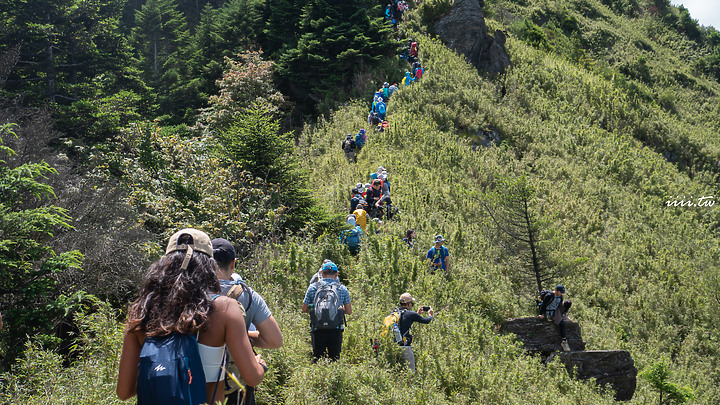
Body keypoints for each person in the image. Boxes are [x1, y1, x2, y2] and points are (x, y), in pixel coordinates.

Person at [117, 229, 266, 404]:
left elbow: (124, 391)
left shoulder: (141, 311)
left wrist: (164, 376)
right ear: (209, 266)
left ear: (164, 264)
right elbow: (253, 377)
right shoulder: (226, 308)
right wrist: (260, 365)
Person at [212, 238, 281, 405]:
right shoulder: (247, 296)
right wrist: (241, 336)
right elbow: (275, 340)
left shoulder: (191, 292)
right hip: (237, 382)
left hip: (199, 382)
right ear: (233, 264)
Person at [302, 262, 352, 361]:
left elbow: (304, 309)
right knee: (334, 359)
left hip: (317, 328)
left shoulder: (313, 288)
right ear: (336, 274)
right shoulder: (342, 289)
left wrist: (318, 311)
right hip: (336, 328)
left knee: (317, 358)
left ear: (322, 274)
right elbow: (349, 311)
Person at [395, 293, 433, 371]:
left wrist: (417, 313)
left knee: (397, 371)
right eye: (412, 304)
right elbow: (426, 321)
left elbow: (404, 322)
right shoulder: (411, 314)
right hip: (405, 347)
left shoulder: (395, 312)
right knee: (410, 372)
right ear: (408, 304)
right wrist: (430, 315)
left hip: (394, 346)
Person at [538, 285, 572, 352]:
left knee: (568, 303)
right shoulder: (549, 296)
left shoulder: (560, 296)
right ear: (556, 291)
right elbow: (543, 305)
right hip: (550, 312)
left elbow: (560, 304)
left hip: (556, 310)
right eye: (560, 292)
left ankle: (563, 315)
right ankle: (564, 342)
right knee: (562, 324)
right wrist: (541, 314)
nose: (561, 293)